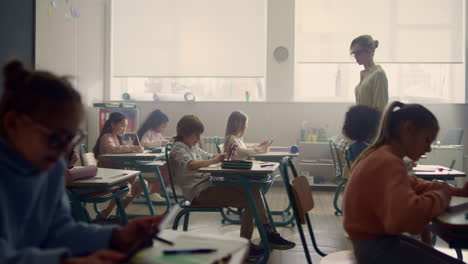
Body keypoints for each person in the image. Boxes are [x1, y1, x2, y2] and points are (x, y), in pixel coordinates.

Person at [0, 59, 163, 264]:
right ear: (13, 124)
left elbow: (59, 231)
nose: (65, 151)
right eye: (56, 138)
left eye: (71, 139)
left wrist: (116, 236)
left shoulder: (51, 167)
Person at [343, 101, 468, 264]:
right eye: (427, 140)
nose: (428, 148)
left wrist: (455, 192)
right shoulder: (387, 161)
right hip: (376, 251)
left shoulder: (380, 155)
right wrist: (440, 197)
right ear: (408, 129)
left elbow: (414, 185)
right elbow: (409, 219)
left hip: (371, 245)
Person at [169, 115, 295, 258]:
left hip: (210, 186)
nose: (198, 138)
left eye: (199, 135)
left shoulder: (192, 146)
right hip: (199, 193)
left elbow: (209, 155)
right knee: (251, 199)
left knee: (253, 190)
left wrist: (223, 155)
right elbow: (191, 165)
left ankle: (264, 234)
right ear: (184, 132)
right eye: (195, 135)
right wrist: (214, 160)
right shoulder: (178, 149)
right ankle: (251, 242)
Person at [93, 112, 145, 219]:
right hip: (107, 173)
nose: (124, 129)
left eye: (125, 126)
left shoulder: (116, 138)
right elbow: (113, 150)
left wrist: (135, 148)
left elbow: (121, 149)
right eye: (122, 125)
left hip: (117, 172)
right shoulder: (106, 137)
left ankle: (120, 208)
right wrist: (133, 148)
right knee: (125, 185)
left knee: (143, 183)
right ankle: (107, 212)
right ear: (112, 124)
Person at [136, 109, 170, 201]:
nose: (163, 129)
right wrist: (161, 142)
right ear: (156, 123)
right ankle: (154, 192)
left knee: (170, 167)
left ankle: (162, 188)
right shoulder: (148, 132)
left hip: (154, 159)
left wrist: (168, 142)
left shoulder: (157, 133)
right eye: (163, 126)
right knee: (166, 168)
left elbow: (161, 141)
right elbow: (144, 144)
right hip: (145, 160)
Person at [350, 35, 388, 112]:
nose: (356, 56)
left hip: (372, 122)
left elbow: (381, 108)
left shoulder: (378, 74)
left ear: (370, 51)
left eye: (359, 52)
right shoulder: (365, 74)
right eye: (354, 54)